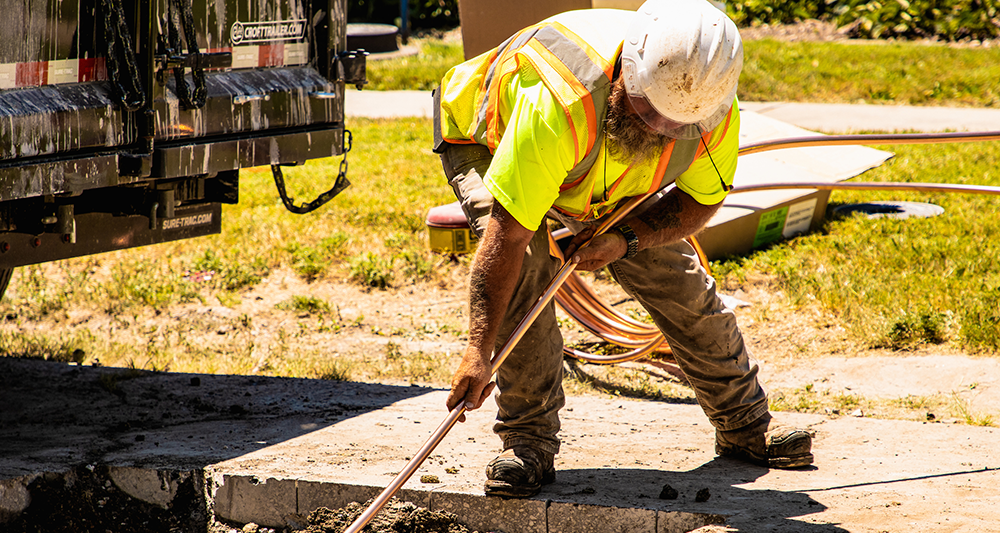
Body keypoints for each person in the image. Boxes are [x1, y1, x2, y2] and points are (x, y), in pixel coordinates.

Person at [433, 0, 814, 498]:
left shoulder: (705, 105)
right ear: (626, 74)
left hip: (598, 157)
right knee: (529, 268)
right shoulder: (559, 104)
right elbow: (509, 239)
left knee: (673, 273)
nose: (659, 128)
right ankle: (527, 442)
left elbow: (699, 201)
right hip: (489, 137)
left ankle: (745, 425)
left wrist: (626, 238)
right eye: (650, 110)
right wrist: (478, 352)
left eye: (676, 124)